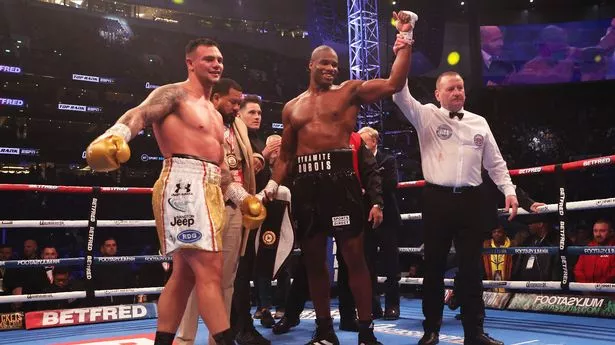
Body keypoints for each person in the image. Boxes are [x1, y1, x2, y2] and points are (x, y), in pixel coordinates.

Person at [85, 38, 266, 345]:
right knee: (210, 271)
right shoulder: (173, 94)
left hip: (209, 187)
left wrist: (242, 198)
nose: (216, 64)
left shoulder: (213, 111)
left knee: (183, 276)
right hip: (184, 184)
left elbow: (220, 169)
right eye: (208, 58)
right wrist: (117, 135)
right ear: (190, 63)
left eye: (219, 59)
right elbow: (139, 114)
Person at [263, 11, 415, 345]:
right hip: (305, 185)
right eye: (325, 64)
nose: (331, 69)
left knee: (354, 257)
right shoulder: (292, 108)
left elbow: (393, 84)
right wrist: (273, 185)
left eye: (335, 64)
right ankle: (325, 331)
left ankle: (365, 331)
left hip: (341, 181)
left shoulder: (348, 92)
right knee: (314, 261)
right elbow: (286, 155)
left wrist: (405, 40)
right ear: (311, 65)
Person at [392, 36, 518, 344]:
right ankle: (431, 329)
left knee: (471, 269)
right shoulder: (426, 116)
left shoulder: (479, 123)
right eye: (450, 88)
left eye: (460, 87)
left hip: (471, 201)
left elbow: (496, 163)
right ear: (438, 94)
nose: (457, 92)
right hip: (437, 199)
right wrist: (403, 47)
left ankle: (474, 332)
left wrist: (509, 191)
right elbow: (399, 93)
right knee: (433, 266)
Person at [174, 79, 269, 345]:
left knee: (227, 280)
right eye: (233, 102)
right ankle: (184, 340)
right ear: (216, 98)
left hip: (234, 210)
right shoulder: (200, 121)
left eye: (240, 103)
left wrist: (259, 159)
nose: (237, 108)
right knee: (194, 277)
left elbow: (241, 159)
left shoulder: (237, 124)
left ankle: (218, 340)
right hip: (203, 207)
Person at [358, 126, 402, 320]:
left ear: (374, 141)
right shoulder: (357, 163)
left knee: (391, 264)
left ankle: (392, 305)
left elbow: (391, 183)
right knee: (367, 264)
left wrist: (368, 191)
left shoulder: (387, 159)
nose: (360, 146)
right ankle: (372, 306)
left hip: (387, 218)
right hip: (365, 219)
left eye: (363, 142)